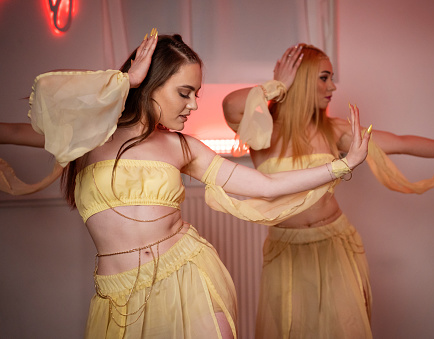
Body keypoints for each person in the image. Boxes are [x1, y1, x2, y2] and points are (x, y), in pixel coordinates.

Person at [0, 32, 371, 339]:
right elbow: (46, 97)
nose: (194, 105)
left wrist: (343, 165)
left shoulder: (183, 146)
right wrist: (124, 82)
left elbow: (265, 184)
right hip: (118, 297)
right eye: (185, 92)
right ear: (149, 83)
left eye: (197, 93)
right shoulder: (87, 135)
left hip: (189, 276)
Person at [222, 43, 434, 339]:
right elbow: (230, 105)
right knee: (291, 329)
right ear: (299, 79)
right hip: (286, 251)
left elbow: (401, 142)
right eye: (324, 77)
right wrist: (277, 85)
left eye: (332, 78)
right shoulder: (263, 128)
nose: (333, 86)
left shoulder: (334, 130)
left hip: (335, 243)